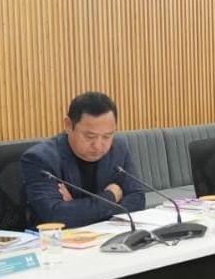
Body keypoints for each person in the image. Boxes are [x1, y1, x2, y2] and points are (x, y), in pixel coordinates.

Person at [21, 91, 145, 228]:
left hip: (106, 234)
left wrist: (76, 209)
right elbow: (55, 216)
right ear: (68, 125)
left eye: (107, 136)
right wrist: (110, 196)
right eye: (90, 136)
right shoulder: (41, 158)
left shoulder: (117, 149)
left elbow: (137, 199)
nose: (98, 146)